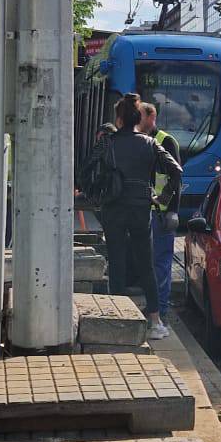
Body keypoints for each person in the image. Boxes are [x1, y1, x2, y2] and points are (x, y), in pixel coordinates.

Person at [88, 92, 182, 340]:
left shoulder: (108, 142)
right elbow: (176, 170)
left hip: (113, 207)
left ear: (118, 118)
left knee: (117, 263)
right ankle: (154, 322)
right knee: (146, 265)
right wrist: (162, 198)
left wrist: (96, 196)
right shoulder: (150, 143)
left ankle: (120, 320)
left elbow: (85, 169)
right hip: (141, 208)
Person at [138, 99, 181, 330]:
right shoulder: (141, 141)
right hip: (146, 212)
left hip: (162, 214)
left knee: (161, 264)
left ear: (151, 118)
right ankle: (154, 306)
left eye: (141, 117)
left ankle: (160, 310)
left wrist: (173, 210)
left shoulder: (165, 141)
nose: (138, 122)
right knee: (149, 263)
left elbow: (176, 178)